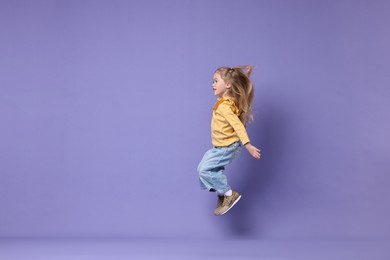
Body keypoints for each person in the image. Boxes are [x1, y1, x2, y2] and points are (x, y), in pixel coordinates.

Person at [197, 65, 261, 216]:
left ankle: (227, 194)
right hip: (219, 147)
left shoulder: (225, 106)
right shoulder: (228, 100)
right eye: (212, 81)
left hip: (228, 147)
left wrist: (248, 145)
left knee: (204, 169)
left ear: (228, 85)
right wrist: (246, 77)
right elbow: (241, 91)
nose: (212, 84)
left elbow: (238, 126)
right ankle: (222, 194)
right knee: (205, 168)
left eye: (216, 81)